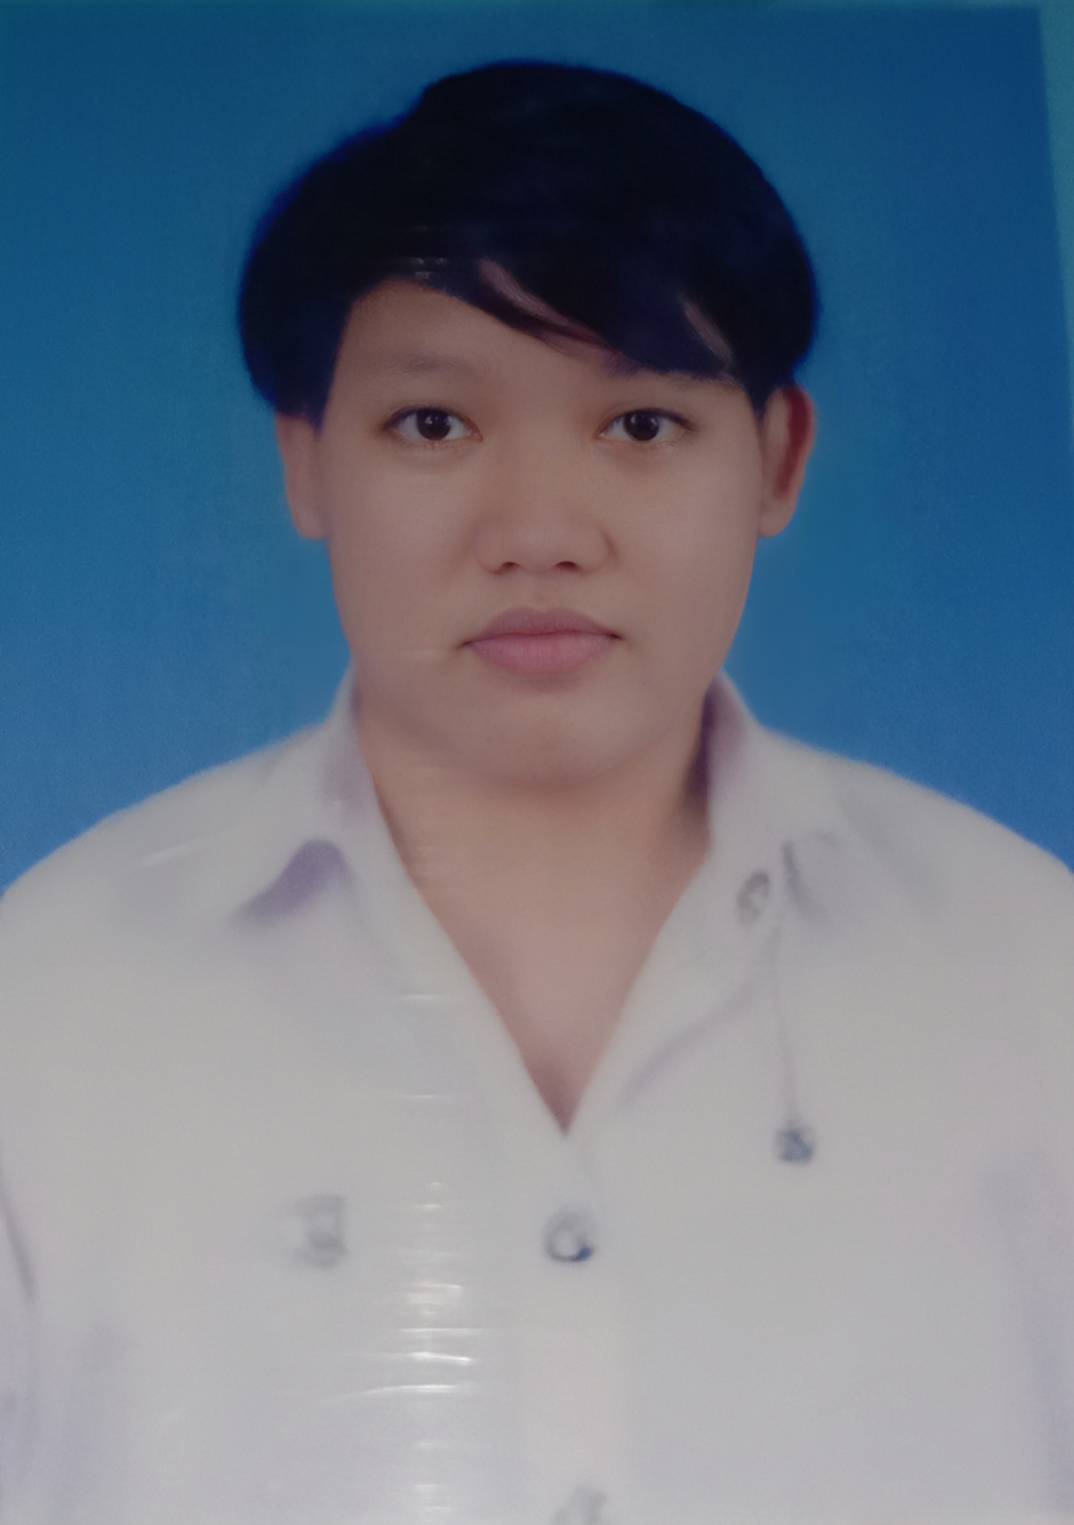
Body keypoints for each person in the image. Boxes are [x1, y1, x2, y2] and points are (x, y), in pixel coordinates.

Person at [1, 57, 1072, 1525]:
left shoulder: (1026, 969)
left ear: (778, 459)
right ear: (306, 463)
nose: (540, 533)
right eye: (433, 426)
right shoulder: (49, 1001)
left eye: (640, 426)